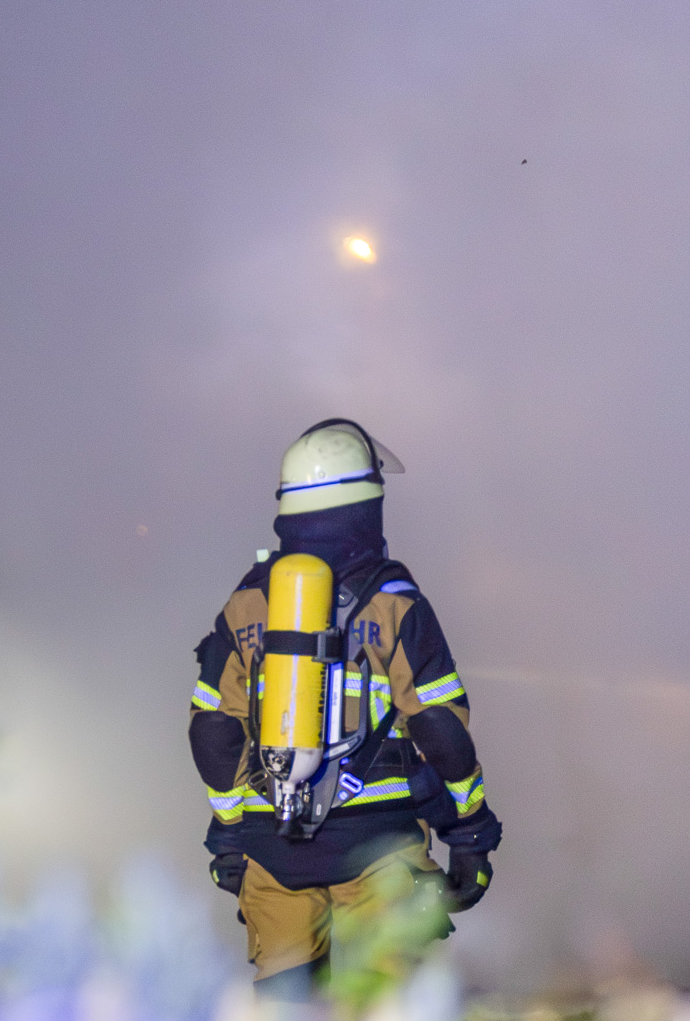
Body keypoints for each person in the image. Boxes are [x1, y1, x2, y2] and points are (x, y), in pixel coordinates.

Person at [188, 419, 501, 999]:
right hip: (378, 849)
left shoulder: (246, 603)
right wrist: (470, 829)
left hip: (271, 847)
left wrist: (229, 833)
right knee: (387, 999)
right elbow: (438, 725)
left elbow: (211, 730)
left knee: (284, 1001)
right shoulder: (395, 603)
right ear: (366, 505)